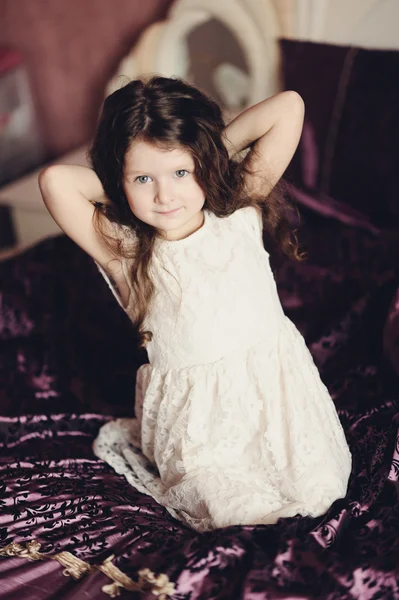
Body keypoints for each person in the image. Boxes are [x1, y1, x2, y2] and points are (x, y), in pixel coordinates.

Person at [39, 75, 351, 532]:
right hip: (199, 429)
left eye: (181, 173)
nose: (165, 196)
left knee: (321, 487)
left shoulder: (240, 210)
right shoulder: (126, 252)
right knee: (235, 511)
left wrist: (204, 154)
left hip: (277, 399)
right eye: (144, 179)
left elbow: (289, 106)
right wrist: (126, 192)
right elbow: (55, 180)